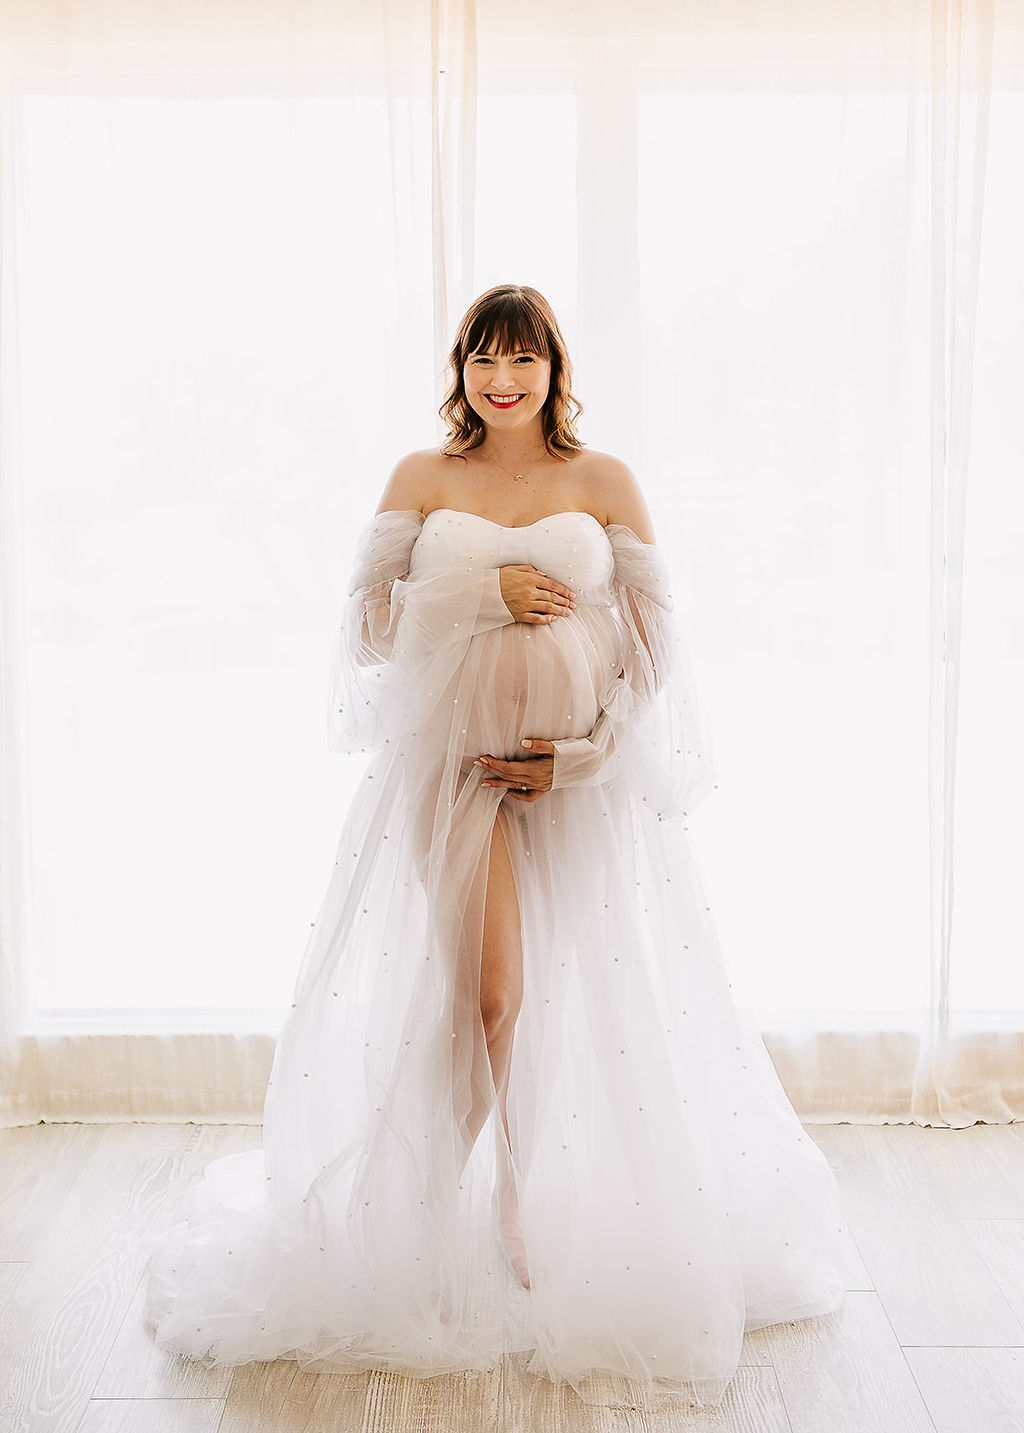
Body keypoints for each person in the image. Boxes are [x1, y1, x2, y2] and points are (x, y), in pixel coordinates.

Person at [142, 284, 846, 1412]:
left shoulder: (603, 481)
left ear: (555, 369)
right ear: (461, 367)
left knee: (569, 996)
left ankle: (526, 1190)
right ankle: (422, 1196)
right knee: (492, 992)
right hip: (450, 773)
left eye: (522, 358)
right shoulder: (422, 480)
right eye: (483, 357)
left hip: (574, 782)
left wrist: (583, 755)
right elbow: (365, 631)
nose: (501, 378)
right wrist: (478, 586)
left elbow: (658, 651)